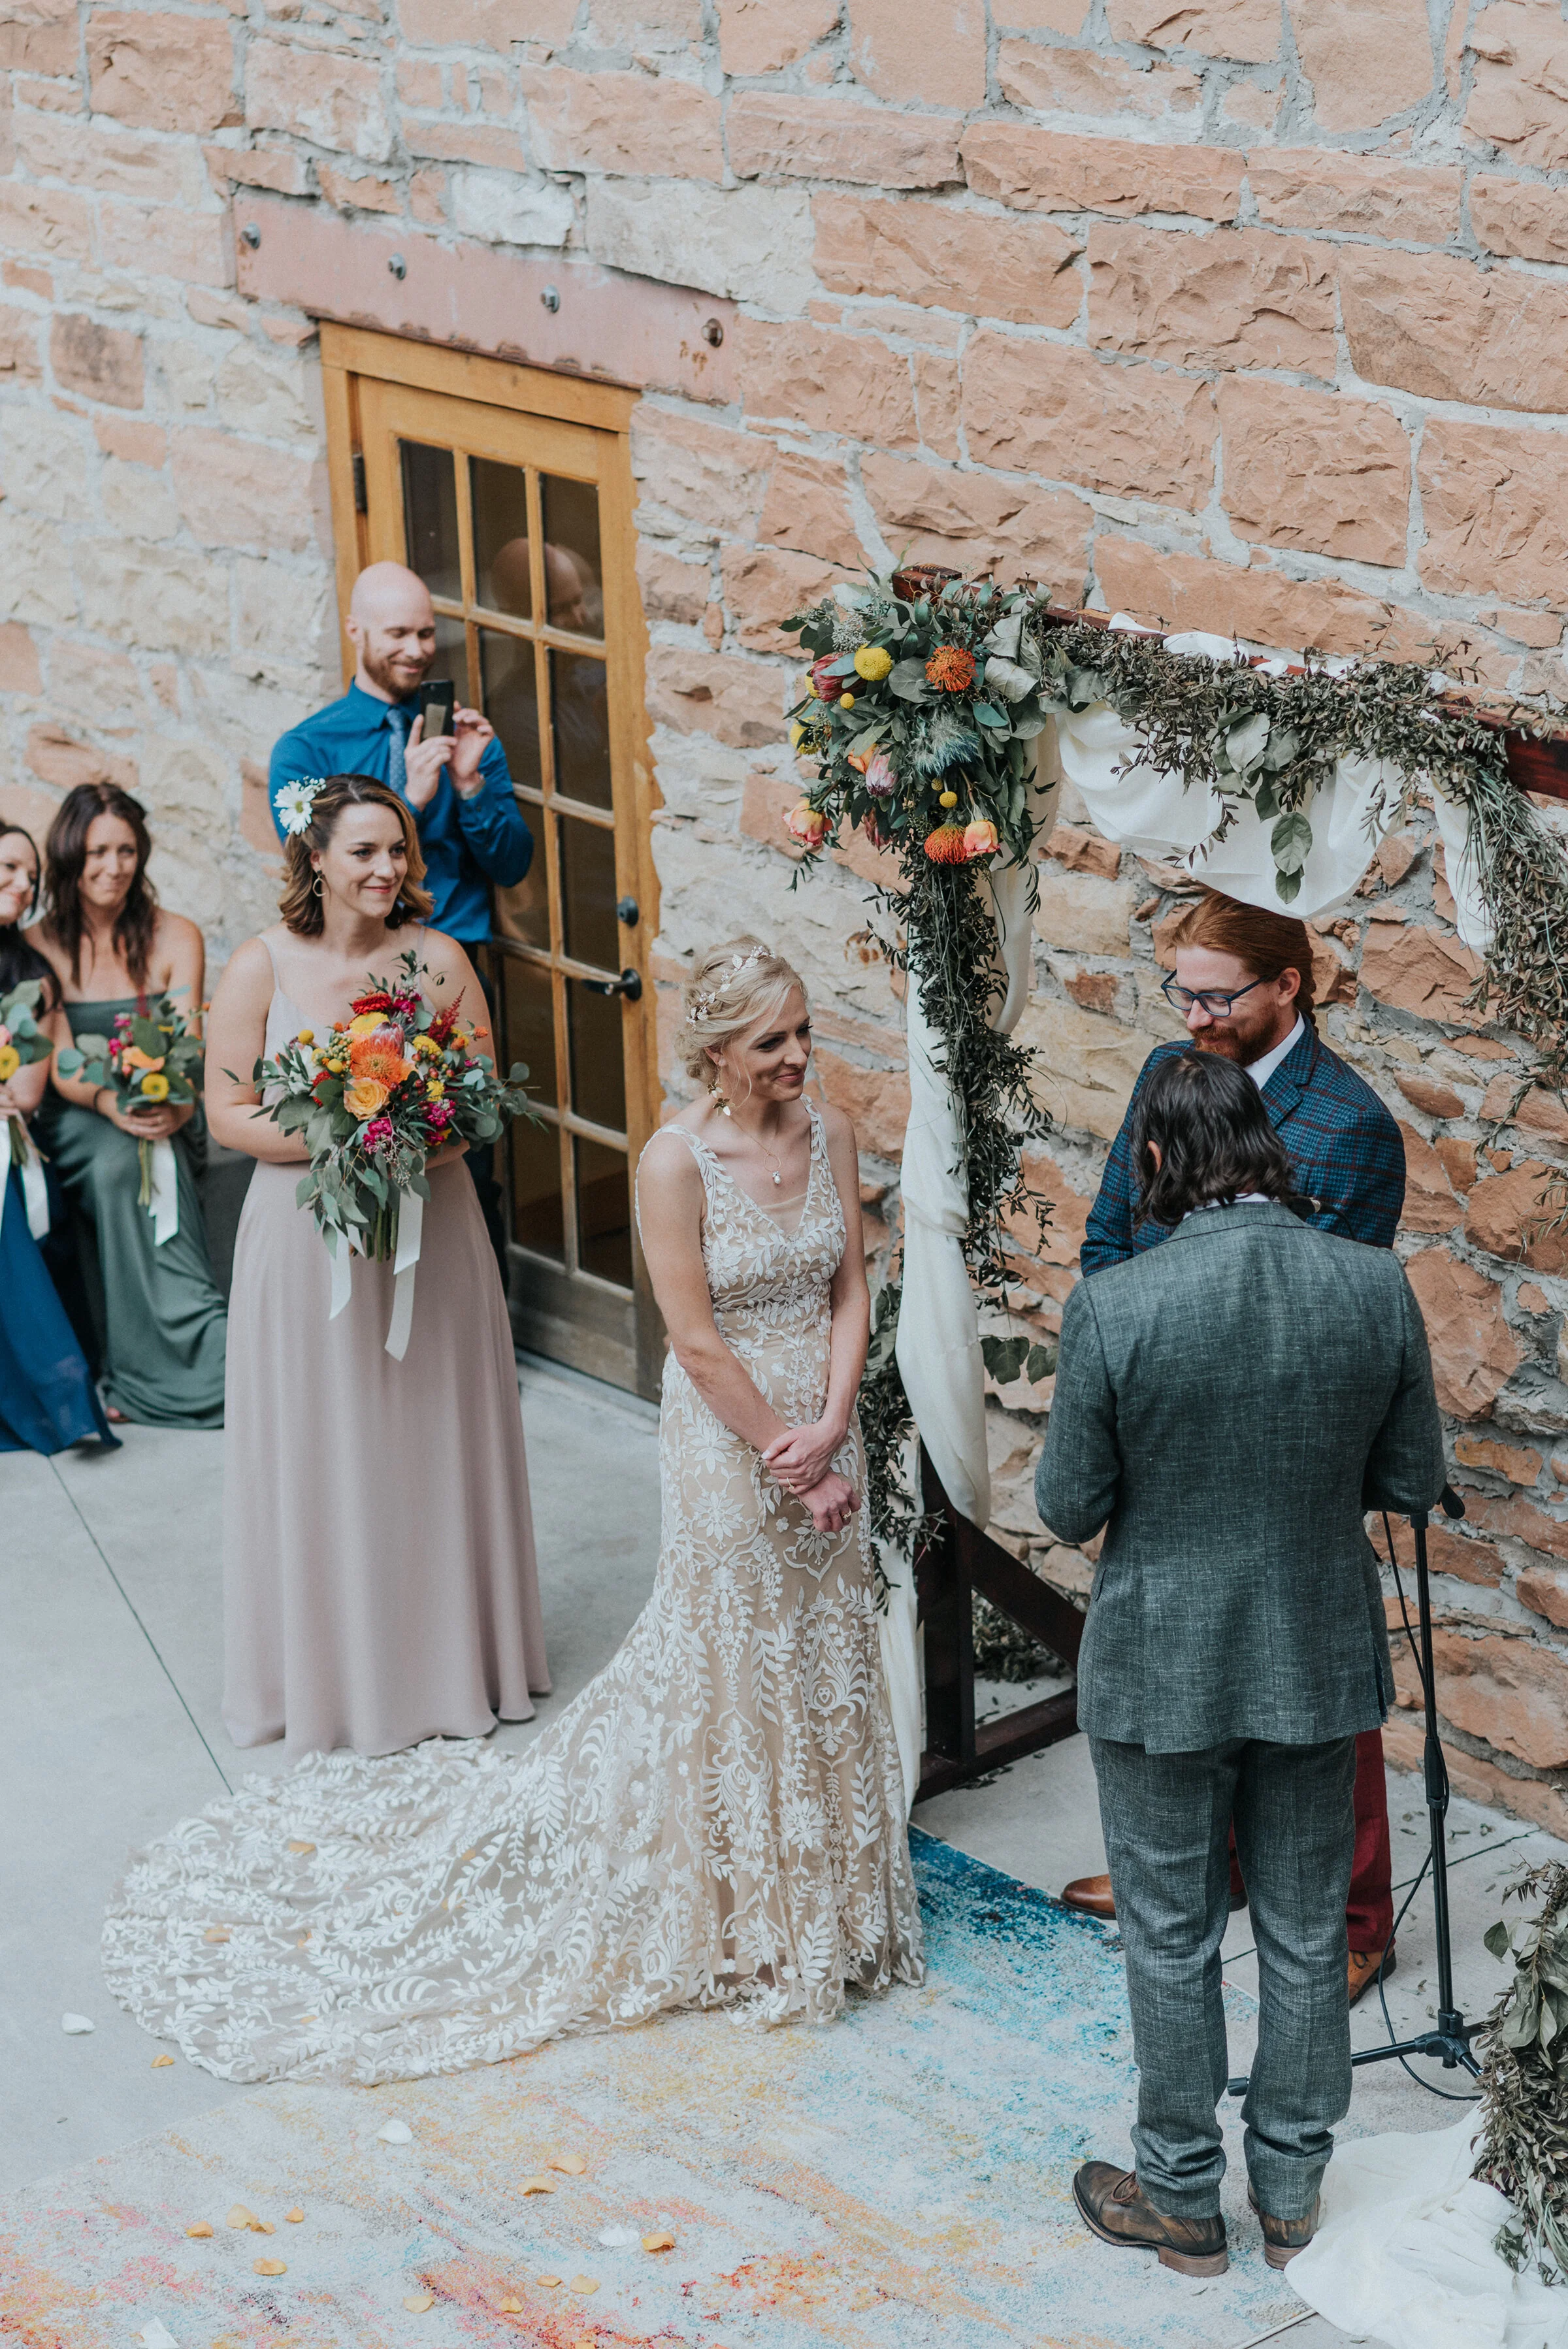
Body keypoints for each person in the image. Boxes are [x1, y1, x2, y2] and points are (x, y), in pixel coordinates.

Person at [103, 934, 921, 2082]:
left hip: (824, 1429)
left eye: (803, 1035)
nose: (800, 1058)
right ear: (721, 1054)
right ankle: (742, 1919)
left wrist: (836, 1423)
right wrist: (795, 1457)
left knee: (827, 1654)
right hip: (732, 1445)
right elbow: (691, 1340)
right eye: (773, 1042)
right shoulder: (674, 1164)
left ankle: (835, 1907)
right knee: (738, 1660)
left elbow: (851, 1284)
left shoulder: (829, 1131)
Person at [1037, 1049, 1444, 2278]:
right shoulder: (1376, 1288)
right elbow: (1412, 1483)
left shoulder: (1117, 1304)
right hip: (1315, 1655)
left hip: (1160, 1664)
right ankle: (1292, 2198)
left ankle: (1178, 2201)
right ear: (1266, 1150)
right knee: (1309, 1934)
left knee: (1168, 1937)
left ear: (1157, 1161)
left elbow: (1066, 1506)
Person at [1061, 889, 1407, 2011]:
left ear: (1287, 988)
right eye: (1186, 993)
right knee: (1182, 1668)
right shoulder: (1169, 1069)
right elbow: (1110, 1238)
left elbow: (1329, 1312)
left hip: (1287, 1444)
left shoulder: (1348, 1125)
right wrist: (1130, 1377)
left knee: (1312, 1684)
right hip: (1165, 1415)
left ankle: (1355, 1919)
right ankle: (1190, 1869)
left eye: (1218, 995)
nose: (1197, 1016)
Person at [202, 773, 549, 1759]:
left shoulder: (436, 958)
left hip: (430, 1233)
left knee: (431, 1435)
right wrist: (347, 1132)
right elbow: (227, 1112)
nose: (386, 867)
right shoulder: (259, 966)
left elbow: (478, 1097)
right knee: (322, 1443)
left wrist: (413, 1133)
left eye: (397, 848)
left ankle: (448, 1662)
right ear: (315, 858)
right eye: (363, 850)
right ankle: (329, 1674)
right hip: (303, 1240)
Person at [269, 562, 532, 1289]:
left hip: (456, 961)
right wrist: (408, 802)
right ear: (355, 632)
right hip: (350, 963)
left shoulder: (469, 739)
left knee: (468, 1149)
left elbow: (511, 863)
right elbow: (311, 870)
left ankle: (477, 1319)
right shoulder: (307, 751)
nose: (417, 649)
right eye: (398, 633)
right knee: (362, 1123)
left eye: (426, 632)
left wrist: (472, 784)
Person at [33, 784, 227, 1430]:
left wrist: (170, 1099)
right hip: (82, 1111)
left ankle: (197, 1341)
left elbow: (187, 1041)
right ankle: (152, 1369)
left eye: (126, 851)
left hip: (167, 1104)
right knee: (122, 1165)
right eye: (97, 852)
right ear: (69, 855)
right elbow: (61, 1058)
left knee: (154, 1147)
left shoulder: (178, 936)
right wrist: (111, 1100)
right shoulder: (42, 945)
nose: (113, 867)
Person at [0, 824, 117, 1454]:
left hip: (8, 1140)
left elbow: (22, 1092)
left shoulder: (32, 977)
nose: (24, 885)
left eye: (31, 876)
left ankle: (57, 1389)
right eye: (10, 868)